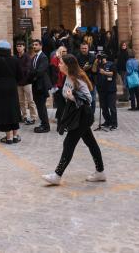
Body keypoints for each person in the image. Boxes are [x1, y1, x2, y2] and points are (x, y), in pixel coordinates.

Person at [42, 54, 105, 186]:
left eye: (61, 63)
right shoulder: (68, 77)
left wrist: (73, 97)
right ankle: (100, 172)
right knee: (91, 143)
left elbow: (89, 99)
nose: (58, 65)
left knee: (69, 143)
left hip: (82, 116)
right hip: (76, 114)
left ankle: (57, 175)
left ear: (67, 66)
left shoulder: (77, 78)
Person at [0, 40, 23, 144]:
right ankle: (15, 136)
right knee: (14, 110)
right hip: (12, 87)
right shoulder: (15, 60)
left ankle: (8, 138)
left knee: (5, 112)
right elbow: (20, 76)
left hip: (1, 88)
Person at [27, 39, 52, 133]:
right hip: (36, 86)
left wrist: (31, 74)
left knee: (41, 106)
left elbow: (40, 71)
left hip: (42, 86)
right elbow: (32, 71)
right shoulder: (34, 57)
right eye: (33, 45)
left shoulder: (43, 57)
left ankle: (46, 126)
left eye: (36, 45)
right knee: (39, 106)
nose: (34, 46)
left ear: (41, 46)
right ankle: (43, 123)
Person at [15, 41, 37, 125]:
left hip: (27, 82)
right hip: (19, 83)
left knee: (30, 101)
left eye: (20, 46)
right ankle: (24, 116)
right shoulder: (16, 57)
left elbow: (27, 69)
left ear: (24, 47)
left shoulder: (27, 57)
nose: (18, 47)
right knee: (21, 101)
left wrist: (18, 69)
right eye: (17, 46)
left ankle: (33, 117)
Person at [96, 53, 118, 130]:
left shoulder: (111, 64)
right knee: (104, 107)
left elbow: (113, 73)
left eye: (100, 58)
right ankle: (108, 121)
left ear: (104, 58)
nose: (99, 60)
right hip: (102, 90)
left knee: (112, 107)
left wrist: (104, 72)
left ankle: (114, 123)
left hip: (110, 90)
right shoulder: (99, 65)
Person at [50, 45, 67, 123]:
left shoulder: (66, 59)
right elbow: (54, 72)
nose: (64, 53)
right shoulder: (54, 59)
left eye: (65, 51)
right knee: (61, 103)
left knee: (63, 103)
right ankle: (61, 121)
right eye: (63, 51)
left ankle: (59, 118)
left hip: (66, 84)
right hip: (58, 84)